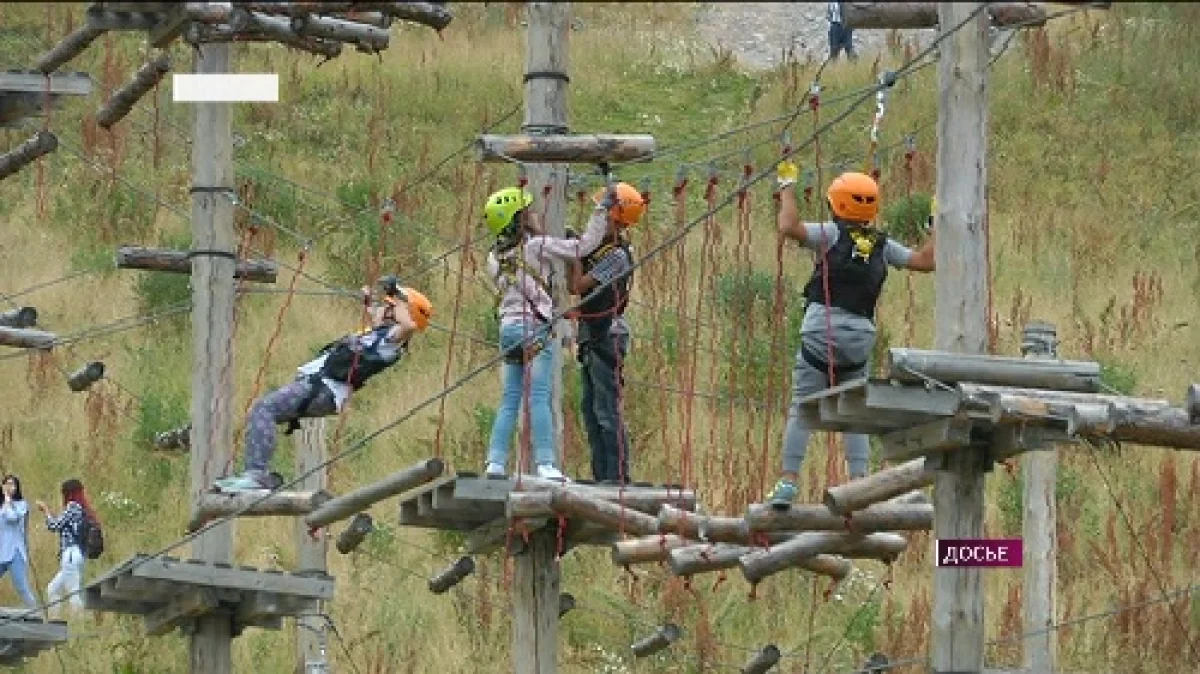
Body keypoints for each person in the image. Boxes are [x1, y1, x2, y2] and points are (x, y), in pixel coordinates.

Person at [765, 161, 936, 508]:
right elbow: (925, 261)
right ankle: (859, 482)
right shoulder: (883, 245)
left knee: (803, 408)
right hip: (859, 342)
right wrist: (936, 223)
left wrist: (786, 186)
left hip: (819, 336)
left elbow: (788, 226)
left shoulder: (829, 235)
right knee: (855, 410)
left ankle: (787, 482)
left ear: (836, 205)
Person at [215, 277, 433, 492]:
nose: (379, 307)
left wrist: (399, 295)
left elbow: (410, 324)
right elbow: (378, 318)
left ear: (394, 313)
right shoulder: (378, 335)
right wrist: (369, 302)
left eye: (386, 306)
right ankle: (259, 475)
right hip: (320, 387)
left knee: (265, 408)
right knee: (264, 410)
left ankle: (256, 475)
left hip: (323, 388)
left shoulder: (392, 341)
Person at [481, 182, 616, 481]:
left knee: (510, 399)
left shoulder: (494, 258)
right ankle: (546, 464)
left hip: (508, 329)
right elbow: (583, 247)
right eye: (528, 211)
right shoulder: (535, 246)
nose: (534, 213)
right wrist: (601, 210)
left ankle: (495, 462)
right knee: (538, 397)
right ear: (519, 219)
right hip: (534, 327)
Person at [565, 182, 644, 484]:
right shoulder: (600, 248)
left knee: (606, 411)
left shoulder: (617, 256)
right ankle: (602, 477)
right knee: (591, 410)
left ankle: (618, 478)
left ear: (615, 218)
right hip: (592, 334)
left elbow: (578, 286)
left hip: (606, 335)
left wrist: (573, 254)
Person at [36, 479, 94, 618]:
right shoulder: (81, 509)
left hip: (70, 555)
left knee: (73, 592)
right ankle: (54, 620)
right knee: (52, 589)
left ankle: (81, 621)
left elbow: (54, 526)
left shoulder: (72, 507)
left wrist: (46, 511)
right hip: (76, 554)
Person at [0, 474, 38, 610]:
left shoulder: (22, 505)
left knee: (21, 587)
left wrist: (8, 501)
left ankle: (36, 613)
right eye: (7, 484)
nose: (10, 487)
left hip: (15, 552)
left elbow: (12, 518)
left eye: (13, 484)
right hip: (1, 551)